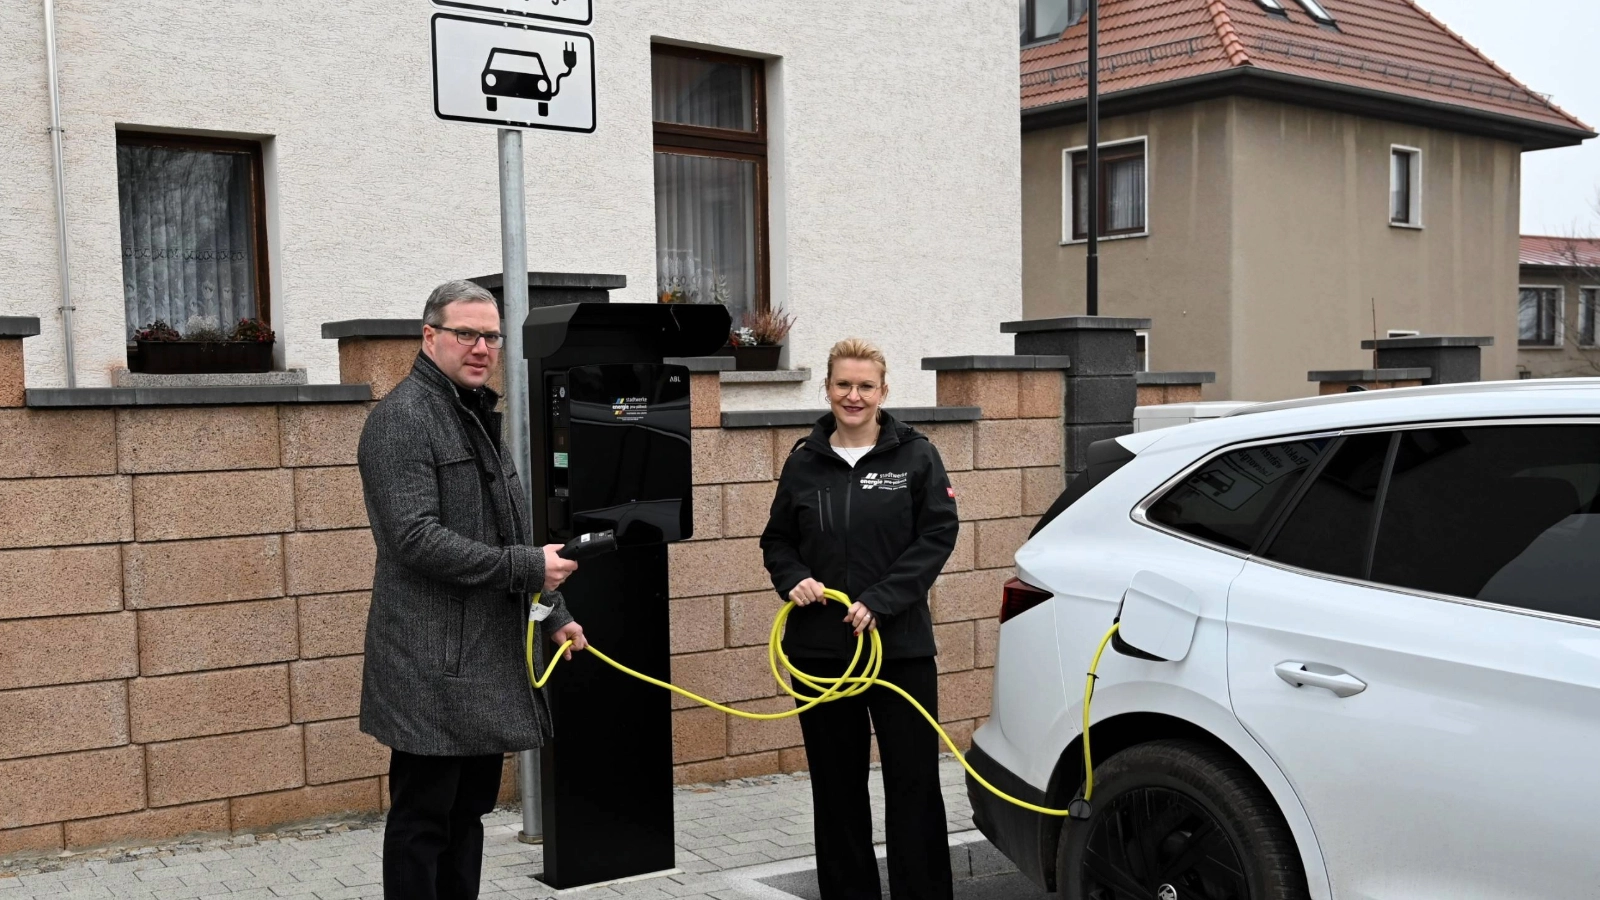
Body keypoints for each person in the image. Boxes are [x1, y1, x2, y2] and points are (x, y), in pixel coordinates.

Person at [357, 279, 589, 900]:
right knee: (423, 821)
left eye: (490, 335)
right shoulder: (402, 420)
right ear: (430, 336)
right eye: (467, 333)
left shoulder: (476, 414)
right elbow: (413, 539)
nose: (481, 347)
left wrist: (554, 613)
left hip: (483, 659)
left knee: (467, 817)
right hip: (429, 665)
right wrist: (525, 569)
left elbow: (512, 532)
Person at [760, 338, 961, 900]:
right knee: (837, 787)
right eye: (843, 385)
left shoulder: (916, 455)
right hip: (821, 653)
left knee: (914, 784)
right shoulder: (804, 460)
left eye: (865, 385)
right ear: (827, 389)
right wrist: (793, 576)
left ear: (883, 391)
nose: (854, 396)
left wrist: (882, 599)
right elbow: (777, 539)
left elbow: (938, 534)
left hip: (899, 649)